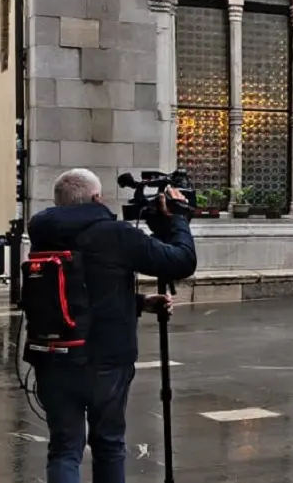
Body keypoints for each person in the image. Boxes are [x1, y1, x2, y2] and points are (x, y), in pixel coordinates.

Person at [27, 169, 197, 483]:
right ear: (96, 198)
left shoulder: (43, 234)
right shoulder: (115, 234)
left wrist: (139, 302)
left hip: (54, 356)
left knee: (64, 449)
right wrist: (177, 219)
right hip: (106, 360)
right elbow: (181, 261)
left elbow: (77, 290)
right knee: (108, 444)